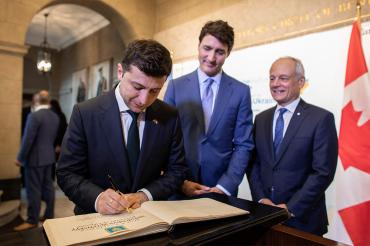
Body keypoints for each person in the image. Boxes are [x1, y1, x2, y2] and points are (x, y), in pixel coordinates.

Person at [57, 39, 187, 215]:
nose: (144, 100)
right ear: (120, 72)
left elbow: (177, 170)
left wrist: (144, 195)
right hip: (96, 218)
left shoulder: (169, 115)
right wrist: (97, 198)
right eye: (137, 87)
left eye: (154, 91)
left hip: (149, 216)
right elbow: (67, 173)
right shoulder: (86, 113)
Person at [248, 56, 338, 236]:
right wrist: (261, 198)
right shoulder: (261, 119)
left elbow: (322, 172)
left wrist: (291, 207)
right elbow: (253, 163)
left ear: (300, 81)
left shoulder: (321, 119)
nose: (275, 83)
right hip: (265, 217)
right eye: (272, 78)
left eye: (283, 78)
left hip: (304, 222)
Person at [164, 20, 254, 197]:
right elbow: (164, 140)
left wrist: (226, 185)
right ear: (198, 46)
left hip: (220, 189)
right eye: (207, 48)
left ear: (228, 53)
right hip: (180, 186)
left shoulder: (241, 91)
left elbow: (244, 144)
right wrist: (179, 181)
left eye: (220, 52)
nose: (211, 58)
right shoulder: (176, 86)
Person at [14, 90, 60, 231]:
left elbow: (28, 140)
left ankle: (32, 220)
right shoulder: (54, 116)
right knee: (48, 187)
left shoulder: (34, 116)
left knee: (33, 190)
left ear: (36, 101)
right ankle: (48, 215)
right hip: (49, 157)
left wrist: (20, 158)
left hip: (34, 159)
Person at [50, 99, 68, 180]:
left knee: (53, 162)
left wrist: (58, 144)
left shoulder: (54, 115)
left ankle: (53, 178)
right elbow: (64, 130)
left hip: (55, 143)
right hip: (59, 143)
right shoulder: (62, 115)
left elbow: (61, 130)